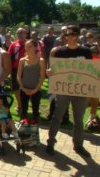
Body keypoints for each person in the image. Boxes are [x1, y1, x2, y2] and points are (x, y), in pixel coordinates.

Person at [46, 25, 93, 158]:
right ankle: (50, 143)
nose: (69, 37)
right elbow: (54, 71)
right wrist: (50, 73)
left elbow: (90, 70)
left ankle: (78, 145)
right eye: (67, 34)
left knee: (78, 120)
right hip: (63, 90)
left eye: (72, 34)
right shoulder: (60, 52)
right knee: (57, 116)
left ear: (77, 35)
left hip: (80, 91)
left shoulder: (85, 51)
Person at [17, 39, 45, 123]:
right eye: (26, 46)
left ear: (35, 47)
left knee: (35, 110)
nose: (27, 48)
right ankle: (23, 127)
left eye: (30, 47)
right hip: (24, 89)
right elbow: (18, 76)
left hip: (36, 90)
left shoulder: (41, 60)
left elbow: (42, 77)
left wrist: (36, 89)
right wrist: (23, 88)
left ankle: (35, 128)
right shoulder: (22, 60)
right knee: (24, 110)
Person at [7, 27, 27, 112]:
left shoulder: (30, 44)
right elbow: (8, 56)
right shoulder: (14, 44)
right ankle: (20, 105)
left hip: (27, 70)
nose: (20, 34)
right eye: (18, 33)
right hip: (15, 70)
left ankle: (24, 105)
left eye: (22, 32)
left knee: (25, 88)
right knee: (15, 88)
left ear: (26, 34)